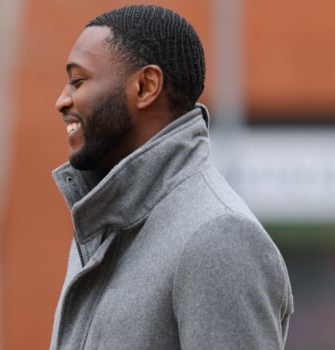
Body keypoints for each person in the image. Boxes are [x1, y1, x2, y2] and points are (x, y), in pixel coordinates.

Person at [50, 4, 293, 349]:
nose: (62, 100)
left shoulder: (218, 236)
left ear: (146, 86)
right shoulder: (102, 229)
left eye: (78, 81)